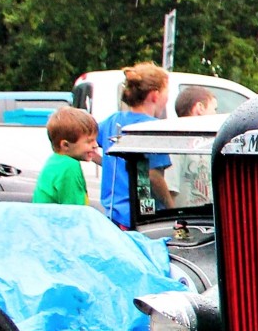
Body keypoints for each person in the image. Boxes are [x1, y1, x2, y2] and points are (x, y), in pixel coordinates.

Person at [97, 63, 172, 227]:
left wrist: (108, 162)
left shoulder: (113, 121)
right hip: (141, 213)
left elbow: (91, 141)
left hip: (112, 214)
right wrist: (171, 207)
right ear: (154, 95)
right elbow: (153, 176)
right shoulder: (154, 128)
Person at [32, 107, 101, 207]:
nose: (95, 145)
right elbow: (76, 211)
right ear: (65, 145)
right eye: (89, 141)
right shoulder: (69, 166)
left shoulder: (54, 160)